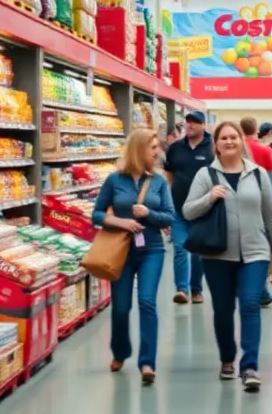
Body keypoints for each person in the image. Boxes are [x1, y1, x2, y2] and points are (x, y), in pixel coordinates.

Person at [182, 121, 272, 392]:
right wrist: (209, 198)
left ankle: (250, 366)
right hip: (218, 255)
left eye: (234, 137)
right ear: (216, 144)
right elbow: (187, 211)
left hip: (255, 252)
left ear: (241, 141)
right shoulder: (206, 175)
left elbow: (271, 215)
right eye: (224, 138)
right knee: (223, 310)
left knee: (251, 304)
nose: (229, 141)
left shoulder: (258, 174)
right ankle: (227, 359)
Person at [92, 128, 176, 385]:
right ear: (140, 150)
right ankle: (120, 352)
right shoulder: (114, 180)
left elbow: (170, 216)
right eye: (153, 148)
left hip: (151, 249)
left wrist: (148, 213)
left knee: (147, 301)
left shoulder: (159, 182)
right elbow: (96, 214)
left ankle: (147, 362)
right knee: (121, 307)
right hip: (121, 250)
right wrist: (120, 221)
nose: (157, 153)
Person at [163, 110, 215, 304]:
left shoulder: (212, 147)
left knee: (198, 251)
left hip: (203, 209)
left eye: (195, 122)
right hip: (178, 208)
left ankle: (196, 289)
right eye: (188, 122)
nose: (190, 125)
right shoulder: (175, 148)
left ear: (203, 125)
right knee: (180, 248)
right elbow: (169, 174)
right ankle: (182, 289)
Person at [239, 117, 272, 306]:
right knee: (262, 247)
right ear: (256, 129)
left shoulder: (234, 148)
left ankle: (256, 289)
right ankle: (260, 287)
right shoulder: (266, 151)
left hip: (239, 205)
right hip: (262, 205)